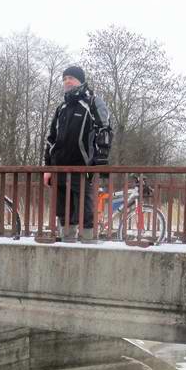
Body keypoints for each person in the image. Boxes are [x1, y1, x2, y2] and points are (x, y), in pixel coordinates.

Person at [43, 65, 112, 240]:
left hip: (83, 167)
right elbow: (51, 139)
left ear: (80, 80)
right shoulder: (61, 108)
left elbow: (104, 131)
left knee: (85, 210)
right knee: (63, 211)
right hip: (59, 168)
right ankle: (66, 242)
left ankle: (88, 243)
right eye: (64, 78)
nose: (67, 81)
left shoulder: (93, 102)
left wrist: (99, 163)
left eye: (71, 78)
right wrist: (48, 168)